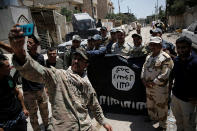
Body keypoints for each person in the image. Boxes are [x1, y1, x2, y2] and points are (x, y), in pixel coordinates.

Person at [9, 24, 112, 131]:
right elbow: (37, 71)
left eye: (80, 59)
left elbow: (94, 105)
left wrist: (103, 121)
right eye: (74, 58)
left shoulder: (86, 83)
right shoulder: (59, 75)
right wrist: (20, 53)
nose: (76, 61)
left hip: (85, 127)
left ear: (86, 64)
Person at [141, 36, 174, 130]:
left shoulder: (166, 58)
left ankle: (163, 125)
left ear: (160, 45)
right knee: (150, 104)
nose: (153, 46)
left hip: (159, 88)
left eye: (155, 44)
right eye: (151, 44)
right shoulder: (149, 56)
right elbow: (144, 68)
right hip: (148, 86)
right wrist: (143, 78)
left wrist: (153, 82)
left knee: (161, 107)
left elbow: (165, 74)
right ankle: (152, 117)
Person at [22, 35, 49, 131]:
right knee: (33, 116)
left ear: (37, 45)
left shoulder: (41, 57)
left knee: (45, 111)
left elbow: (43, 73)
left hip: (40, 89)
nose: (28, 44)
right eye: (27, 43)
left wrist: (45, 86)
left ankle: (47, 127)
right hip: (29, 92)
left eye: (30, 43)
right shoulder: (24, 57)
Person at [170, 36, 197, 131]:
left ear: (190, 47)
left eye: (183, 47)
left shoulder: (195, 62)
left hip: (189, 101)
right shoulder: (176, 60)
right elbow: (172, 76)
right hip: (176, 97)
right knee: (179, 122)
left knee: (189, 125)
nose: (181, 50)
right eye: (178, 48)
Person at [0, 53, 28, 131]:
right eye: (7, 66)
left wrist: (24, 108)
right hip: (5, 123)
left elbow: (18, 92)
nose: (10, 68)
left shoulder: (8, 78)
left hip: (19, 116)